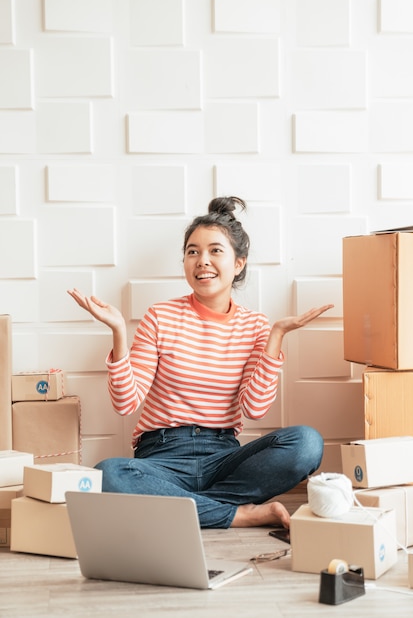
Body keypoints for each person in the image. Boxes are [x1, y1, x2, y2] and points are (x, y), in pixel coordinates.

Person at [68, 196, 333, 529]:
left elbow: (254, 409)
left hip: (223, 456)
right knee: (108, 474)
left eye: (215, 251)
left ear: (239, 263)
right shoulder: (160, 316)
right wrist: (118, 331)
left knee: (306, 443)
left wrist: (275, 337)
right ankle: (235, 513)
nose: (202, 261)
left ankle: (179, 506)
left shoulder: (255, 326)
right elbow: (126, 403)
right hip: (162, 456)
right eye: (192, 251)